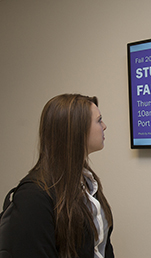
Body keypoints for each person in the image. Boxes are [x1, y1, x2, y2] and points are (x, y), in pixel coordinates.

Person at [0, 94, 114, 258]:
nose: (104, 126)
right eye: (99, 120)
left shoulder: (88, 183)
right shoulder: (33, 196)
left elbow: (102, 248)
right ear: (76, 129)